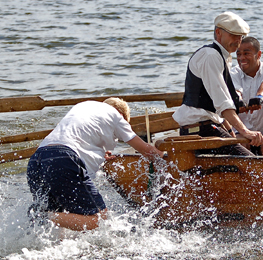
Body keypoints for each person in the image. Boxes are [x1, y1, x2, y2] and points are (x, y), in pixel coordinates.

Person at [26, 98, 164, 231]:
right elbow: (146, 151)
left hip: (37, 159)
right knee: (99, 218)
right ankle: (43, 215)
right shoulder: (117, 116)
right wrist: (165, 156)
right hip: (65, 158)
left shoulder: (84, 106)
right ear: (122, 115)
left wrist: (100, 154)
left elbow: (79, 136)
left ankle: (47, 224)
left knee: (64, 213)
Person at [172, 11, 263, 156]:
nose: (238, 40)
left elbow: (216, 108)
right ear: (218, 33)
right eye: (233, 35)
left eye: (240, 36)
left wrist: (230, 133)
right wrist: (245, 131)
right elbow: (223, 103)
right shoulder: (211, 56)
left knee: (245, 159)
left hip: (206, 126)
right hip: (199, 130)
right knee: (250, 163)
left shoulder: (222, 56)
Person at [230, 36, 263, 156]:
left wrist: (260, 98)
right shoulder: (233, 73)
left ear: (258, 54)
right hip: (243, 131)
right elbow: (236, 92)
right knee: (242, 147)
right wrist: (238, 101)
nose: (241, 58)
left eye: (246, 53)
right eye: (238, 54)